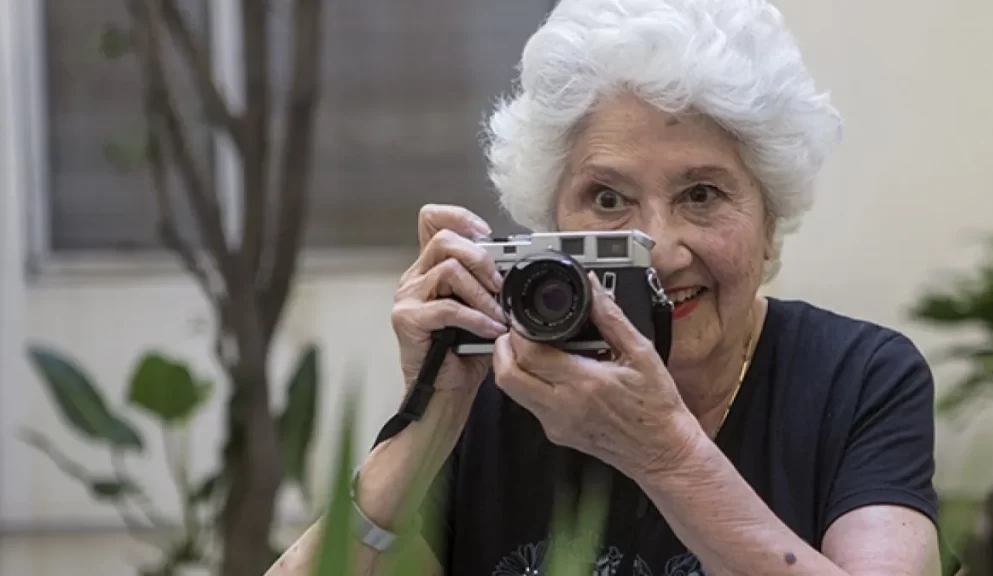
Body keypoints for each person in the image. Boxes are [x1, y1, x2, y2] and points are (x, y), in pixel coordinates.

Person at [267, 0, 957, 574]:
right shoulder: (503, 387)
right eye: (606, 199)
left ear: (769, 221)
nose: (657, 249)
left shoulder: (859, 378)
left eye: (702, 194)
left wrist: (664, 454)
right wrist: (432, 419)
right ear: (549, 227)